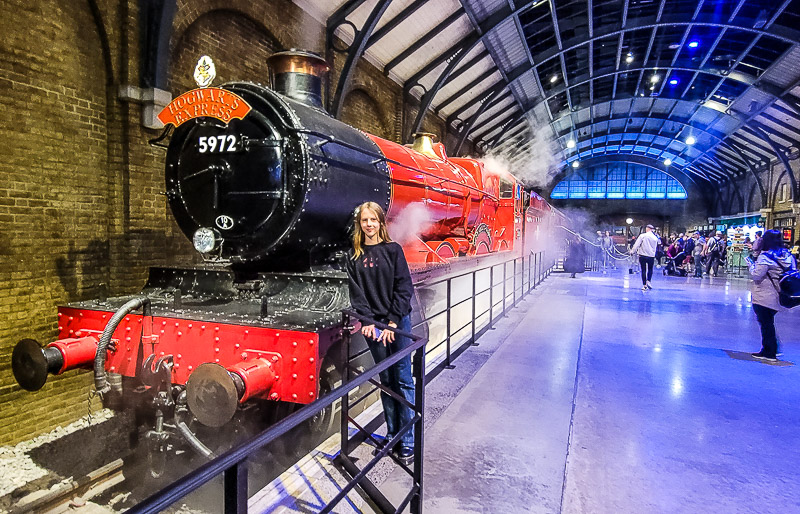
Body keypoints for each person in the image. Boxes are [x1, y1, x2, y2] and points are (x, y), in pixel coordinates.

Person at [346, 201, 415, 464]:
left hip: (397, 324)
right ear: (360, 224)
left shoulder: (393, 250)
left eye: (373, 220)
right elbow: (358, 295)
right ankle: (392, 434)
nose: (369, 225)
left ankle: (407, 440)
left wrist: (393, 323)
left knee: (403, 378)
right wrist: (371, 322)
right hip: (373, 327)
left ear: (380, 223)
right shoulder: (354, 256)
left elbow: (403, 288)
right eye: (365, 220)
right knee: (386, 380)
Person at [749, 230, 797, 361]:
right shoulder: (788, 255)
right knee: (768, 322)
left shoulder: (765, 257)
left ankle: (769, 352)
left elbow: (756, 275)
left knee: (766, 323)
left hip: (765, 294)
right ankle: (772, 348)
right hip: (780, 294)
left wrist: (751, 266)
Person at [630, 224, 659, 291]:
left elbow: (637, 244)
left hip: (642, 255)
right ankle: (649, 281)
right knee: (650, 269)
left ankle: (644, 285)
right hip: (651, 256)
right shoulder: (655, 238)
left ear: (647, 229)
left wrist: (632, 251)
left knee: (643, 270)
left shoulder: (642, 236)